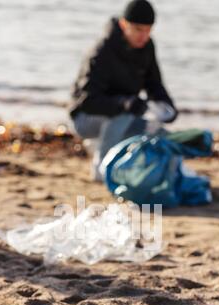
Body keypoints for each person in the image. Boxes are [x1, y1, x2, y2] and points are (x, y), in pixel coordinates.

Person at [68, 0, 178, 180]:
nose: (143, 36)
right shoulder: (102, 51)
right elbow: (87, 101)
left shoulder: (147, 47)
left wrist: (168, 107)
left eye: (148, 30)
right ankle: (102, 167)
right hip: (85, 118)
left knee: (159, 132)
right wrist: (125, 103)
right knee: (124, 114)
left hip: (121, 117)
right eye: (138, 30)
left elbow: (154, 85)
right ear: (123, 24)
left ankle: (103, 146)